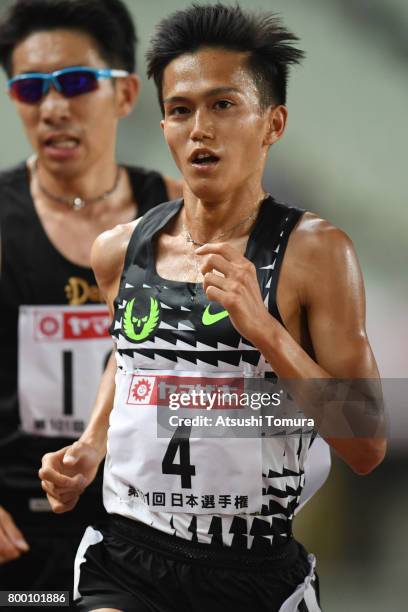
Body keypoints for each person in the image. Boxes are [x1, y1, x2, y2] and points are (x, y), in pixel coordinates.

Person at [40, 4, 386, 611]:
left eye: (223, 105)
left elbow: (367, 443)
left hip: (252, 568)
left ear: (272, 123)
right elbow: (130, 356)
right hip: (127, 558)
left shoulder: (316, 253)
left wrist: (266, 331)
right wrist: (92, 441)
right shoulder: (119, 251)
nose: (199, 127)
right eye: (180, 109)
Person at [0, 0, 181, 602]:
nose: (52, 107)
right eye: (30, 88)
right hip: (19, 527)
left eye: (75, 83)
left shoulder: (183, 214)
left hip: (151, 528)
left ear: (126, 94)